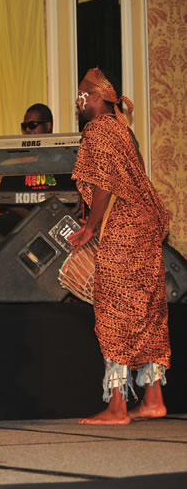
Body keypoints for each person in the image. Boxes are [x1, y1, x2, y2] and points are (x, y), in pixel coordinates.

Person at [67, 67, 171, 425]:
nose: (77, 101)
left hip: (123, 230)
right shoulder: (122, 130)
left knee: (115, 313)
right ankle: (154, 399)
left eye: (82, 95)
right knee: (147, 311)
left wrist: (91, 226)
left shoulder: (98, 129)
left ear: (97, 97)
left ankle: (117, 406)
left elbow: (105, 183)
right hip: (145, 229)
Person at [0, 103, 77, 256]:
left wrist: (50, 219)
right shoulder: (19, 161)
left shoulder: (65, 161)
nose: (27, 130)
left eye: (32, 125)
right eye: (24, 126)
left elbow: (77, 199)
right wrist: (32, 219)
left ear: (48, 126)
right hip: (24, 221)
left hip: (56, 221)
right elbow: (5, 197)